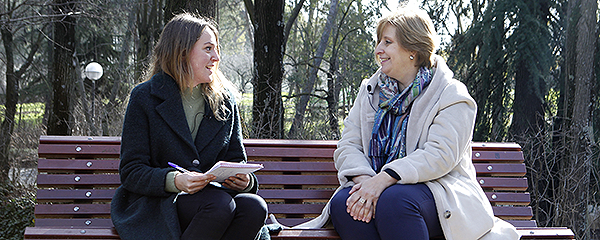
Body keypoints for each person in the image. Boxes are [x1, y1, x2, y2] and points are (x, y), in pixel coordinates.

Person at [293, 5, 520, 240]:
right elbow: (348, 146)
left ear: (412, 49)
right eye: (379, 42)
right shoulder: (370, 92)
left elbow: (440, 155)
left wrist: (385, 179)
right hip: (383, 191)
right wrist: (367, 184)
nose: (378, 50)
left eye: (387, 42)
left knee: (395, 201)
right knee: (344, 203)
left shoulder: (451, 94)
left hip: (439, 195)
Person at [111, 13, 267, 240]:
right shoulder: (144, 97)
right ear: (181, 52)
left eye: (217, 49)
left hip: (215, 199)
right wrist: (174, 181)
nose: (216, 57)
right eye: (207, 49)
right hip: (160, 204)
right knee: (218, 205)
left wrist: (245, 181)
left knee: (254, 206)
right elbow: (131, 171)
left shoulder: (224, 101)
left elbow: (236, 160)